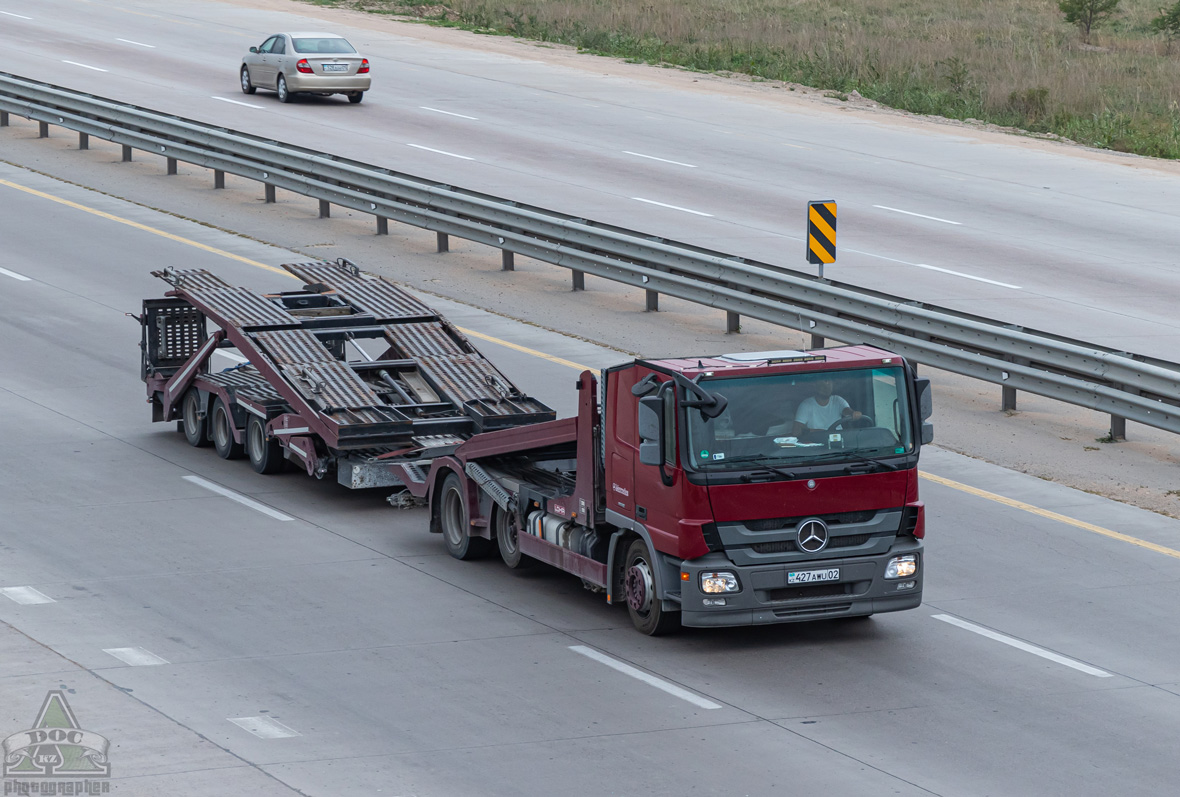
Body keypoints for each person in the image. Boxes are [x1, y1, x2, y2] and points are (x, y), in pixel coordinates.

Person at [792, 378, 861, 440]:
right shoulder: (806, 405)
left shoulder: (837, 400)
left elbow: (846, 410)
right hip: (816, 445)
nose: (826, 387)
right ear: (815, 386)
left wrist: (853, 413)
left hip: (839, 442)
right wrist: (822, 432)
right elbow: (796, 431)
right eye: (823, 383)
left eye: (829, 383)